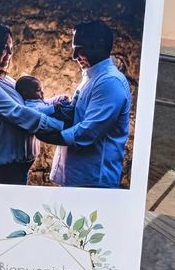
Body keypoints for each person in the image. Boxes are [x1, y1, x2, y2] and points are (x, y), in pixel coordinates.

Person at [0, 21, 66, 185]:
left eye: (11, 47)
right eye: (5, 47)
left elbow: (32, 104)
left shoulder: (7, 80)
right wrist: (60, 125)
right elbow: (16, 113)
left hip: (19, 168)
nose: (10, 52)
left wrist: (57, 104)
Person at [39, 20, 131, 188]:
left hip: (93, 180)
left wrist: (43, 134)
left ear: (99, 45)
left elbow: (87, 132)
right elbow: (76, 115)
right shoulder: (91, 77)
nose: (74, 56)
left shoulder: (109, 82)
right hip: (79, 177)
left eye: (79, 49)